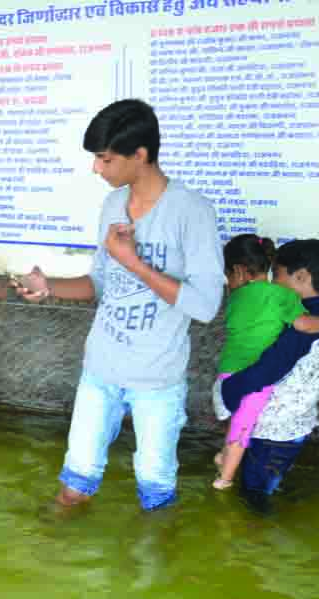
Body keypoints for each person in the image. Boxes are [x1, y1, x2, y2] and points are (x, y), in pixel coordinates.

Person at [14, 99, 224, 510]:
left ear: (140, 156)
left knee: (156, 493)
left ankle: (153, 571)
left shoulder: (192, 212)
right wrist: (47, 287)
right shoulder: (113, 206)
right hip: (100, 369)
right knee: (73, 485)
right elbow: (99, 283)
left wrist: (133, 262)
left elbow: (204, 305)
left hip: (156, 380)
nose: (97, 168)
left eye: (105, 159)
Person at [213, 239, 319, 511]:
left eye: (277, 275)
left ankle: (256, 538)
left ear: (302, 277)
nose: (272, 282)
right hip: (291, 425)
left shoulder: (305, 322)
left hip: (276, 432)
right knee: (267, 484)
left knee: (254, 495)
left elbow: (272, 367)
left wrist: (230, 392)